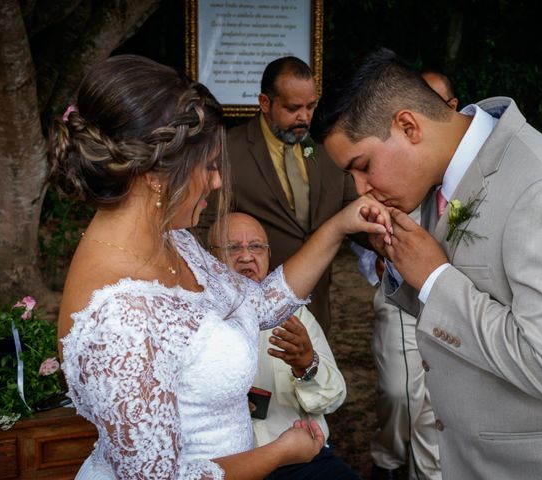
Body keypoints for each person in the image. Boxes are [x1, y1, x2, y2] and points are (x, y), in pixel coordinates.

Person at [48, 54, 390, 480]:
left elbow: (260, 304)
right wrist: (279, 453)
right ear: (156, 173)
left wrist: (339, 225)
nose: (216, 181)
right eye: (209, 166)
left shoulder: (175, 243)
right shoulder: (118, 316)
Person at [310, 47, 542, 479]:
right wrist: (404, 268)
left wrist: (434, 278)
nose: (362, 189)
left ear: (408, 125)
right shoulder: (444, 177)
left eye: (363, 166)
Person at [209, 212, 360, 480]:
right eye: (233, 247)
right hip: (230, 466)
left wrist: (307, 365)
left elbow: (333, 398)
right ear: (208, 259)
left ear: (268, 255)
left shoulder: (293, 315)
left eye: (256, 246)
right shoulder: (193, 320)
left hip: (302, 461)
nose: (246, 256)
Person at [362, 69, 458, 480]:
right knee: (398, 393)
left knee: (436, 407)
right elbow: (363, 224)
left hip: (452, 305)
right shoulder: (391, 159)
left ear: (452, 109)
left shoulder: (468, 173)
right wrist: (376, 260)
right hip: (398, 297)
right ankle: (387, 460)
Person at [224, 56, 360, 333]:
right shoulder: (228, 151)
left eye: (311, 106)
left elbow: (350, 207)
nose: (305, 117)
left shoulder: (328, 146)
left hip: (317, 304)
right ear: (265, 103)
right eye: (293, 108)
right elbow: (207, 230)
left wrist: (384, 247)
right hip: (252, 312)